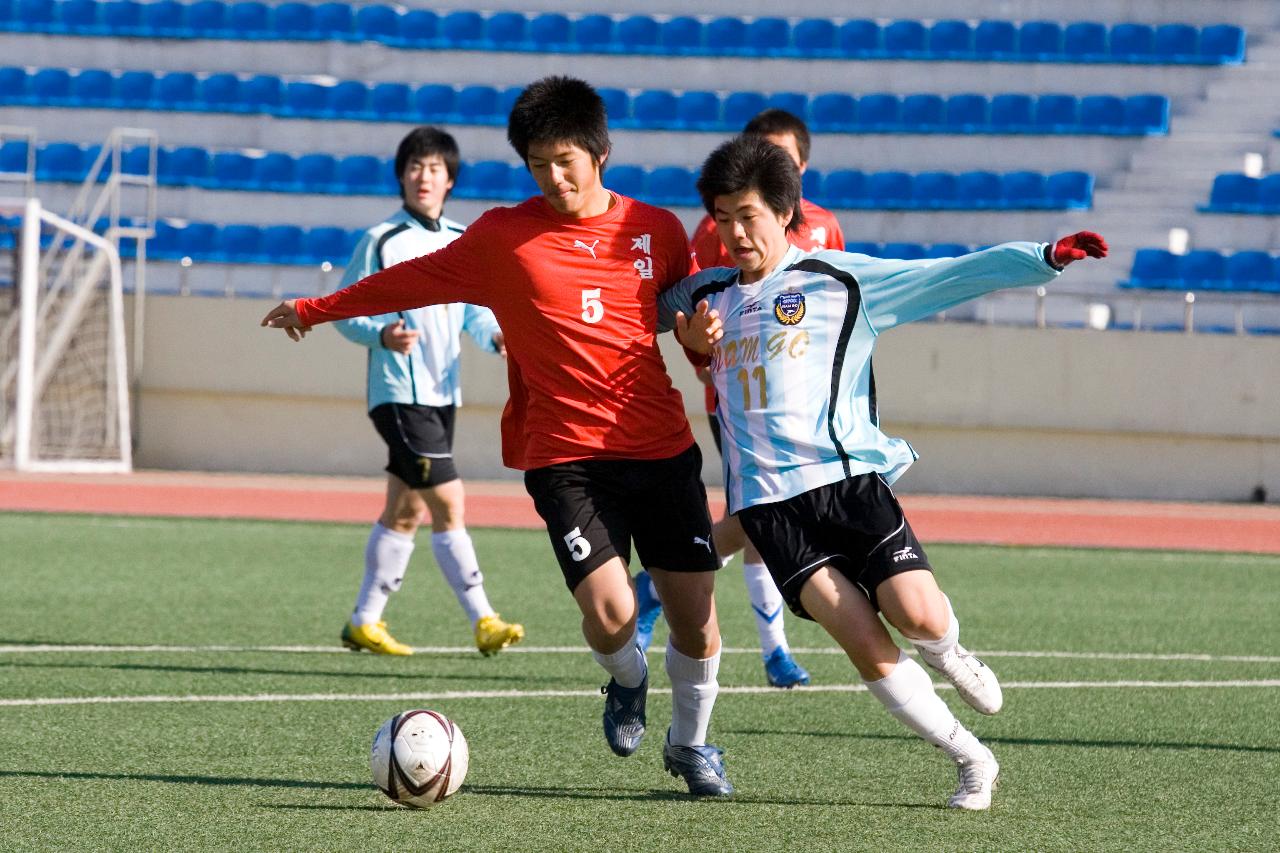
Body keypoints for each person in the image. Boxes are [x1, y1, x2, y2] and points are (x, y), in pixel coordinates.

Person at [262, 77, 732, 797]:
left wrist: (701, 341)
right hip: (564, 455)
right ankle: (629, 681)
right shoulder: (502, 237)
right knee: (611, 618)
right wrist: (314, 308)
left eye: (567, 159)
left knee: (697, 622)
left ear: (601, 153)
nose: (555, 176)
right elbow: (407, 281)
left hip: (661, 445)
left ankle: (693, 745)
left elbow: (691, 322)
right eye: (539, 163)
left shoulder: (656, 229)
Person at [658, 135, 1107, 809]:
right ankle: (972, 758)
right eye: (722, 218)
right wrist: (688, 340)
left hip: (848, 487)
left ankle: (949, 651)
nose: (734, 232)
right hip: (770, 512)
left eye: (747, 215)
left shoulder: (839, 280)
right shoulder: (707, 293)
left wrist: (1042, 258)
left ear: (785, 212)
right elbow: (650, 305)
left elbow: (948, 274)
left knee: (916, 613)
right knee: (865, 642)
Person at [636, 109, 844, 689]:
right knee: (759, 516)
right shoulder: (716, 229)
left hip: (806, 408)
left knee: (756, 519)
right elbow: (696, 315)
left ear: (800, 167)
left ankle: (657, 586)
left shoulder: (826, 227)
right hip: (740, 399)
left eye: (781, 157)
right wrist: (698, 354)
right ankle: (775, 651)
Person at [332, 126, 525, 658]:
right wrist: (381, 334)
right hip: (398, 393)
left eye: (435, 168)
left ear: (450, 179)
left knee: (405, 510)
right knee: (449, 501)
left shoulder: (463, 239)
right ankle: (484, 618)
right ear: (401, 175)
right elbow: (344, 310)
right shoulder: (380, 241)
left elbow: (474, 309)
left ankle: (364, 622)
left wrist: (497, 335)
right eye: (415, 166)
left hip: (444, 394)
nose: (424, 176)